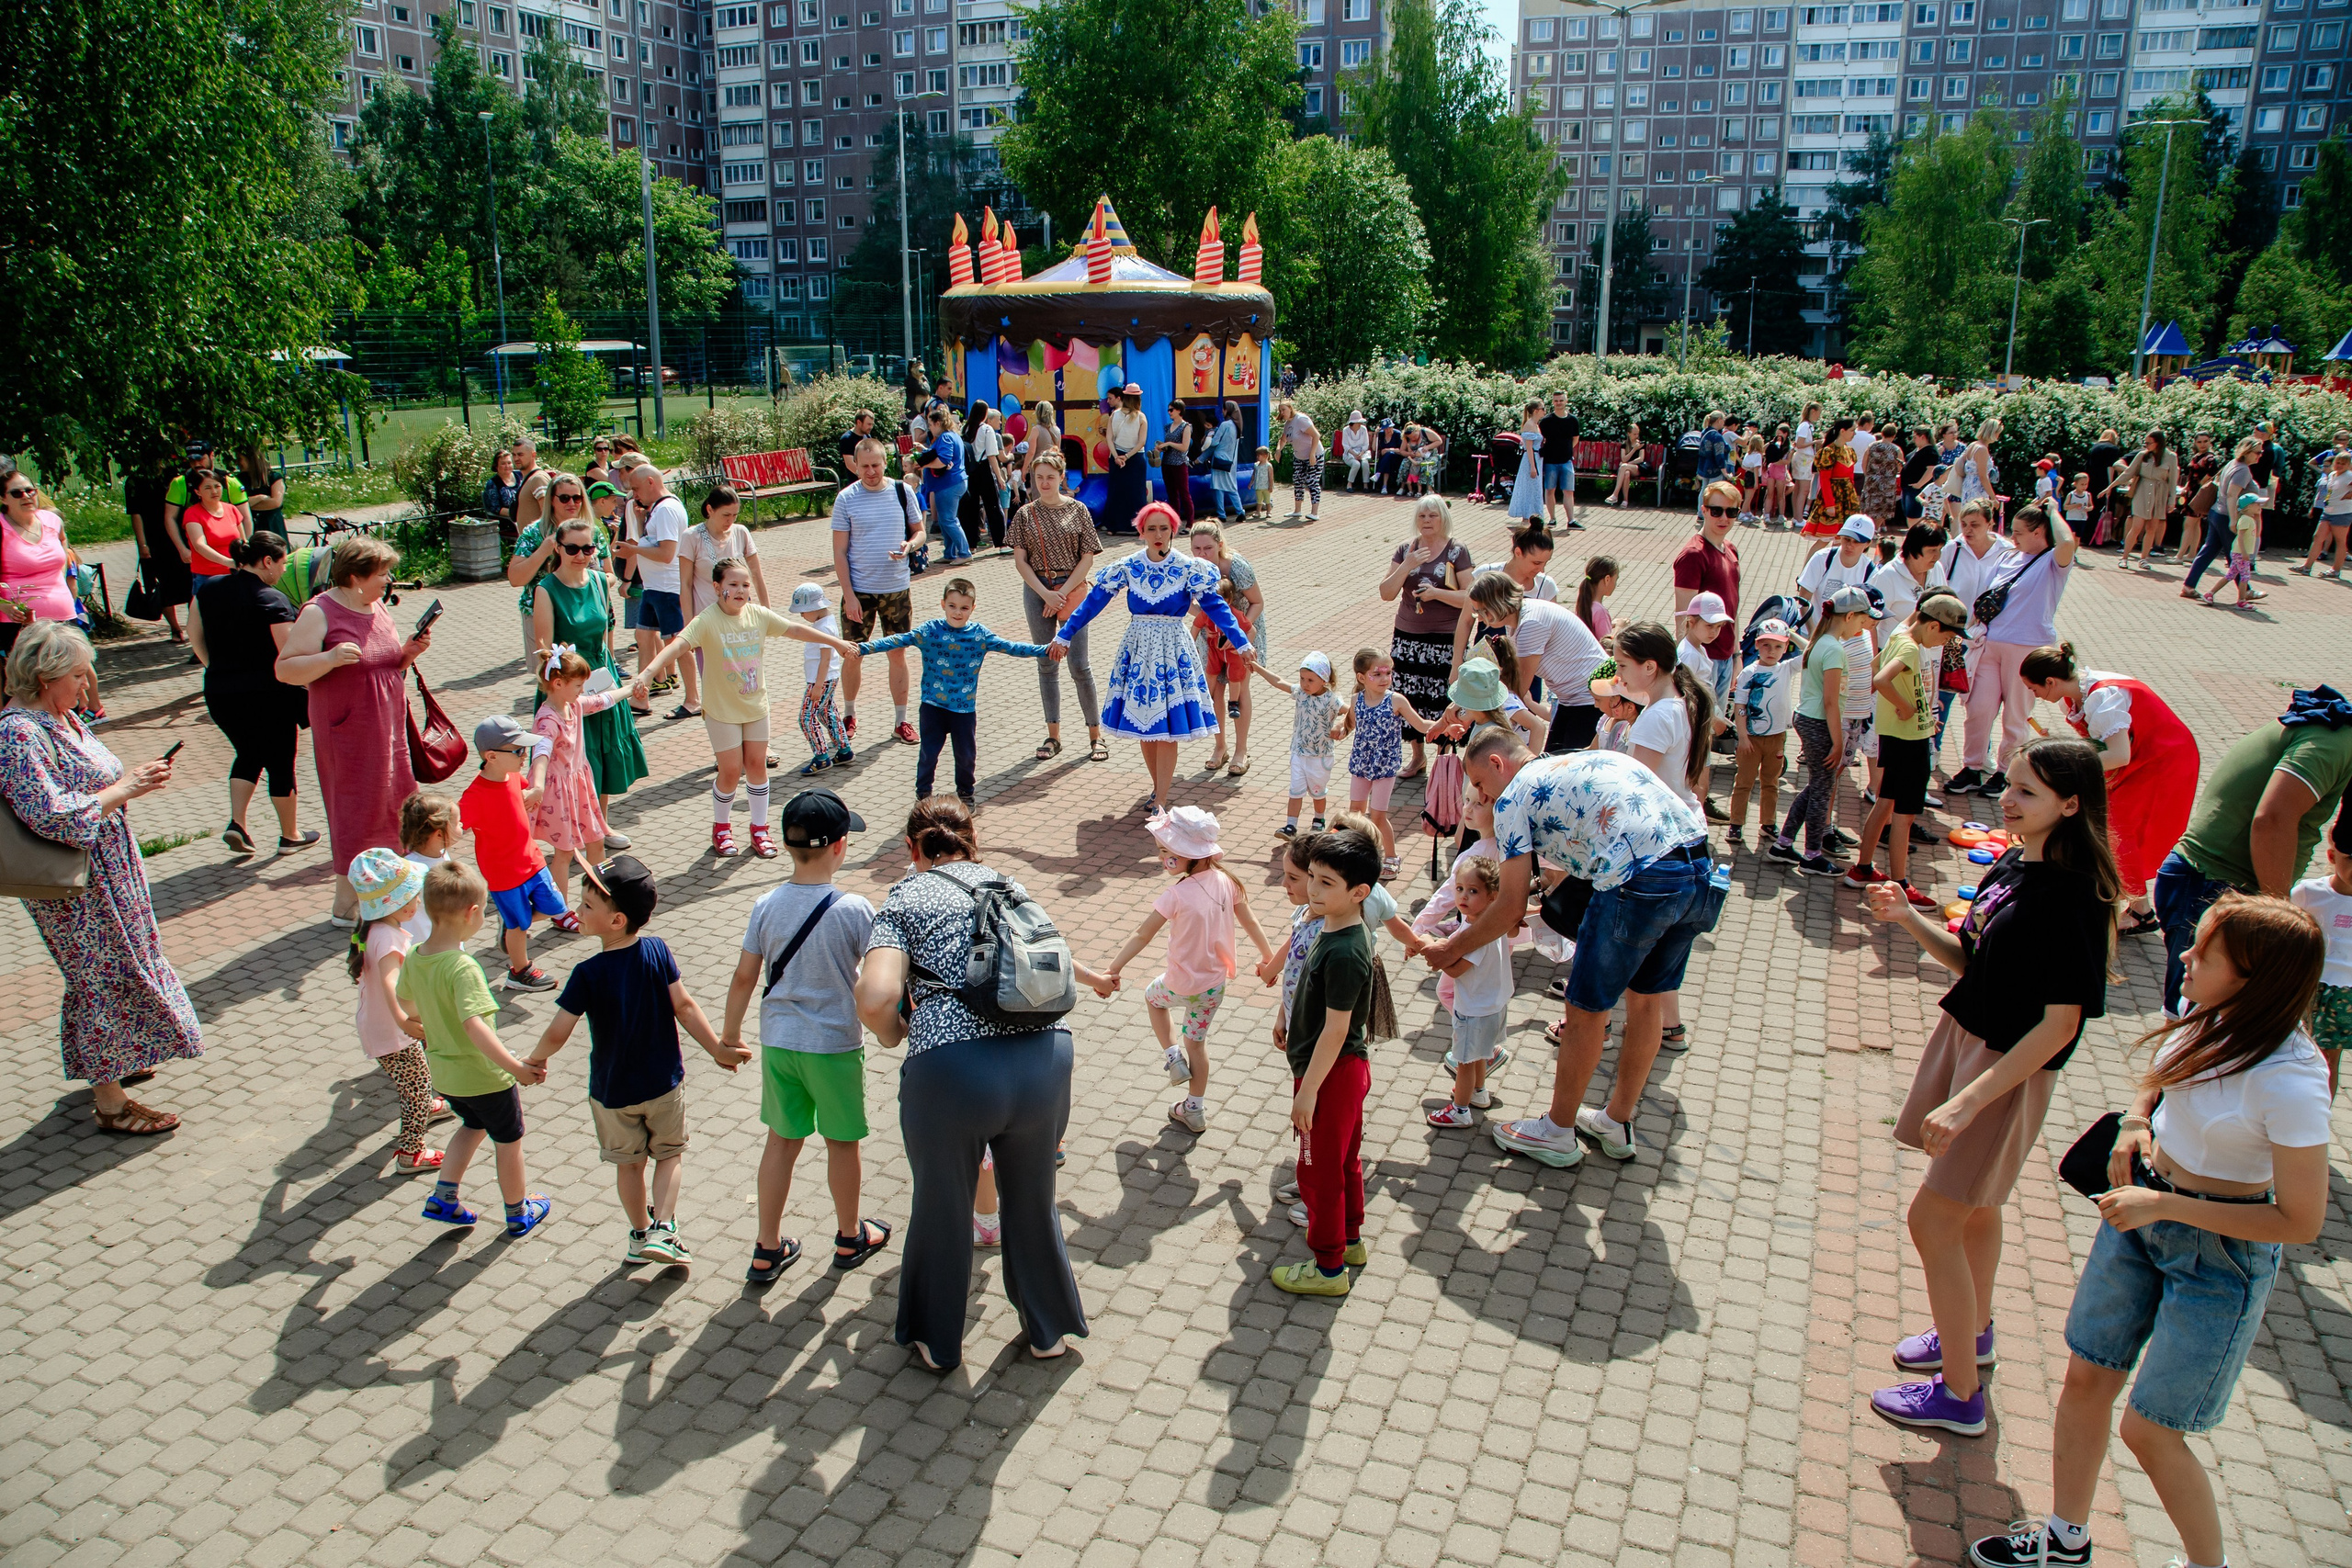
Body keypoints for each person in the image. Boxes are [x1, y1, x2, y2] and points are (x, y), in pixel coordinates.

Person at [1967, 893, 2330, 1568]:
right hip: (2143, 1213)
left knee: (2151, 1430)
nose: (2182, 956)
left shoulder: (2294, 1080)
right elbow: (2159, 1080)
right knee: (2086, 1380)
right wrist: (2137, 1120)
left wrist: (2166, 1208)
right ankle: (2063, 1539)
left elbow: (2300, 1220)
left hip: (2219, 1258)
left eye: (2204, 952)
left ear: (2253, 976)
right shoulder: (2208, 1008)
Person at [1862, 737, 2117, 1438]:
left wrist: (1972, 1097)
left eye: (2027, 791)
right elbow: (1972, 960)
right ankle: (1970, 1334)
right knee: (1975, 1209)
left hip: (2006, 1069)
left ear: (2071, 804)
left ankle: (1960, 1396)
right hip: (1970, 1041)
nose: (2008, 798)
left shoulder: (2074, 896)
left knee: (1932, 1219)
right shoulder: (2015, 858)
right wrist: (1908, 918)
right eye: (2010, 784)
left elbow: (2061, 1025)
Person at [854, 797, 1105, 1370]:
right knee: (1032, 1201)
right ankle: (1049, 1331)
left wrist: (896, 1034)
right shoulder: (1011, 884)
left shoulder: (906, 894)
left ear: (913, 849)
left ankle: (937, 1343)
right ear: (973, 841)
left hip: (953, 1072)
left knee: (943, 1205)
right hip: (1045, 1058)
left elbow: (874, 997)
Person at [1425, 735, 1718, 1169]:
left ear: (1497, 763)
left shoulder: (1512, 800)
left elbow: (1507, 905)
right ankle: (1616, 1120)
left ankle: (1557, 1132)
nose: (1482, 795)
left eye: (1480, 782)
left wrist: (1450, 948)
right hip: (1697, 868)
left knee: (1584, 1009)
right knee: (1647, 1001)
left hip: (1636, 879)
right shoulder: (1584, 757)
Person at [0, 621, 200, 1134]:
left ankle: (119, 1058)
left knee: (126, 964)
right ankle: (109, 1102)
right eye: (76, 674)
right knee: (97, 978)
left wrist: (133, 782)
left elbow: (92, 784)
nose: (86, 684)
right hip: (75, 881)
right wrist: (125, 788)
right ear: (45, 676)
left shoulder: (62, 717)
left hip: (110, 865)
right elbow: (50, 815)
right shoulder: (19, 731)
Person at [527, 853, 747, 1266]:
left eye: (587, 906)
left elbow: (559, 1031)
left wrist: (534, 1061)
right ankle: (664, 1228)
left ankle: (639, 1235)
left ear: (616, 920)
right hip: (663, 1083)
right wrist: (717, 1047)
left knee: (628, 1167)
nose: (577, 911)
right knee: (669, 1155)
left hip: (612, 1093)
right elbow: (684, 1006)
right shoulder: (657, 950)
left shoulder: (586, 973)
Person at [724, 788, 891, 1282]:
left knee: (781, 1141)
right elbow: (883, 975)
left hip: (779, 1042)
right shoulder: (854, 908)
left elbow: (743, 978)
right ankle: (848, 1237)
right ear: (840, 846)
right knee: (842, 1143)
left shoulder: (765, 905)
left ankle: (766, 1248)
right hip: (834, 1046)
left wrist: (729, 1037)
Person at [632, 558, 862, 855]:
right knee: (730, 771)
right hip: (721, 710)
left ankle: (760, 829)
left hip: (755, 706)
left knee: (756, 766)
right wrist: (648, 672)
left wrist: (836, 643)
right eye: (733, 584)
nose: (740, 590)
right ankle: (722, 828)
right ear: (717, 587)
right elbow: (678, 645)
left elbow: (794, 630)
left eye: (745, 585)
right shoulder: (707, 620)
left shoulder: (757, 615)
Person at [2154, 684, 2352, 1010]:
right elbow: (2272, 820)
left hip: (2213, 881)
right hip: (2215, 884)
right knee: (2196, 1017)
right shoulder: (2334, 742)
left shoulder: (2335, 735)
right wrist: (2276, 913)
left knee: (2196, 1015)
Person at [1048, 502, 1253, 815]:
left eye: (1164, 528)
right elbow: (1092, 603)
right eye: (1151, 528)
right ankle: (1158, 789)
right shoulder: (1129, 566)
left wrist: (1240, 642)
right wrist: (1064, 634)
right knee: (1145, 728)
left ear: (1173, 530)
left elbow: (1217, 609)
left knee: (1167, 728)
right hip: (1139, 650)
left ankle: (1161, 799)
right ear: (1141, 531)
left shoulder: (1190, 568)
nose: (1158, 534)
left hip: (1174, 649)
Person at [273, 537, 432, 924]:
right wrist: (328, 658)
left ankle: (389, 891)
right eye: (382, 574)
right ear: (355, 577)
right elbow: (285, 669)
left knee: (394, 804)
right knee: (356, 810)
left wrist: (409, 652)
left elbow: (385, 665)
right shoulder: (319, 612)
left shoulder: (375, 605)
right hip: (348, 731)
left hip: (386, 724)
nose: (389, 581)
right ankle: (346, 903)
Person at [1257, 825, 1385, 1296]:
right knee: (1345, 1162)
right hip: (1337, 1073)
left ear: (1359, 893)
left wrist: (1307, 1092)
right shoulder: (1330, 929)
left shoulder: (1347, 948)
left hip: (1329, 1077)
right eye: (1311, 876)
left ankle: (1329, 1269)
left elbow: (1336, 1030)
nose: (1311, 888)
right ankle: (1350, 1241)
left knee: (1317, 1173)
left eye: (1326, 883)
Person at [1095, 807, 1272, 1135]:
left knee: (1153, 998)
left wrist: (1113, 968)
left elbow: (1142, 934)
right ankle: (1195, 1109)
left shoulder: (1175, 894)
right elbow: (1250, 921)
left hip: (1178, 983)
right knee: (1199, 1046)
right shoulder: (1228, 882)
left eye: (1167, 852)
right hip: (1213, 987)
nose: (1163, 858)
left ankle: (1172, 1056)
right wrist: (1268, 958)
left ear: (1190, 855)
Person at [401, 862, 553, 1236]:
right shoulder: (463, 967)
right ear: (472, 913)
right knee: (509, 1140)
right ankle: (519, 1212)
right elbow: (476, 1029)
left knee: (471, 1125)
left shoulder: (416, 957)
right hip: (485, 1076)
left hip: (446, 1075)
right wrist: (515, 1067)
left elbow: (407, 1008)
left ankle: (444, 1197)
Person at [2019, 644, 2200, 932]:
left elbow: (2118, 755)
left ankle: (2131, 907)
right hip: (2143, 756)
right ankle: (2140, 910)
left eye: (2034, 688)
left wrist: (2064, 764)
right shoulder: (2075, 695)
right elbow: (2106, 747)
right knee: (2106, 823)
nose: (2035, 696)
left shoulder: (2101, 696)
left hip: (2163, 759)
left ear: (2050, 682)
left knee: (2116, 828)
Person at [861, 576, 1048, 807]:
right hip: (932, 707)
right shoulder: (930, 631)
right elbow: (899, 639)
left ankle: (966, 795)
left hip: (963, 710)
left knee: (966, 757)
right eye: (952, 606)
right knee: (928, 755)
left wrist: (1047, 650)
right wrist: (863, 648)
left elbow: (1013, 647)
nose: (957, 613)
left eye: (964, 608)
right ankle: (923, 796)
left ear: (972, 609)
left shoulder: (980, 635)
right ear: (942, 604)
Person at [188, 532, 316, 856]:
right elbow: (287, 653)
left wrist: (217, 668)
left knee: (248, 753)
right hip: (269, 695)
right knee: (280, 761)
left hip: (220, 692)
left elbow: (195, 636)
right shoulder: (271, 599)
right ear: (267, 561)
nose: (284, 569)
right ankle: (290, 835)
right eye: (283, 562)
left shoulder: (207, 590)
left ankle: (238, 823)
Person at [527, 514, 649, 837]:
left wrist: (610, 673)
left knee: (603, 752)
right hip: (566, 680)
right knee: (572, 757)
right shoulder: (546, 589)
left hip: (600, 672)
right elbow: (544, 651)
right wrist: (569, 684)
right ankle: (570, 826)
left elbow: (606, 631)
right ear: (558, 547)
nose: (581, 555)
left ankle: (599, 825)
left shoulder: (597, 581)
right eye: (572, 548)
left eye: (588, 548)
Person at [1847, 593, 1967, 908]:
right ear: (1933, 626)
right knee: (1904, 816)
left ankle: (1862, 868)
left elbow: (1875, 666)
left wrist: (1921, 714)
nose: (1947, 642)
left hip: (1898, 737)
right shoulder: (1912, 647)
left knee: (1885, 804)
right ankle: (1899, 885)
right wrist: (1906, 709)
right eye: (1948, 635)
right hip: (1908, 742)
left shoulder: (1901, 636)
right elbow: (1882, 678)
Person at [1960, 500, 2077, 796]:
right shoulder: (2009, 557)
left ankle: (2004, 772)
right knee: (1979, 708)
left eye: (2019, 532)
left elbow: (2067, 542)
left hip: (2028, 649)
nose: (2013, 538)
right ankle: (1972, 767)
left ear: (2039, 532)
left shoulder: (2053, 561)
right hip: (1990, 643)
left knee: (2016, 714)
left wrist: (2053, 512)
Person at [344, 849, 443, 1174]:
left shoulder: (373, 929)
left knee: (415, 1082)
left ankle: (426, 1106)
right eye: (414, 896)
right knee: (415, 1087)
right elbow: (390, 982)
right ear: (396, 902)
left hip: (379, 1025)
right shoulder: (387, 937)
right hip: (392, 1031)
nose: (418, 903)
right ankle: (411, 1152)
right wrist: (404, 1019)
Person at [1007, 451, 1106, 763]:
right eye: (1039, 478)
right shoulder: (1025, 514)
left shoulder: (1079, 510)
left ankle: (1095, 734)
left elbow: (1088, 557)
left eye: (1050, 476)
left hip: (1072, 590)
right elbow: (1020, 560)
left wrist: (1061, 593)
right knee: (1046, 663)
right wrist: (1045, 594)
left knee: (1079, 664)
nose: (1044, 483)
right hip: (1037, 590)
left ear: (1062, 477)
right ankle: (1054, 735)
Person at [1770, 585, 1876, 876]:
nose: (1865, 624)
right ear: (1850, 615)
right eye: (1863, 618)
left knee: (1816, 787)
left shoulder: (1822, 643)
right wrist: (1838, 743)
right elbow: (1831, 702)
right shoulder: (1833, 649)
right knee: (1821, 792)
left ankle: (1783, 845)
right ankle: (1811, 855)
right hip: (1819, 723)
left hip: (1808, 719)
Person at [831, 438, 927, 747]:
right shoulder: (846, 498)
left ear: (886, 463)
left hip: (896, 590)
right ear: (855, 466)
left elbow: (920, 531)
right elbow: (840, 552)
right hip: (860, 591)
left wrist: (910, 546)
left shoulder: (902, 491)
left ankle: (901, 720)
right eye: (864, 466)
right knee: (853, 654)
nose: (870, 472)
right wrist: (849, 595)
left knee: (897, 654)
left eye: (876, 465)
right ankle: (849, 715)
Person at [1379, 494, 1476, 780]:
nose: (1427, 521)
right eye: (1422, 516)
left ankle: (1443, 759)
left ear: (1443, 518)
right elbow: (1386, 593)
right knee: (1410, 696)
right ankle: (1417, 756)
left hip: (1445, 639)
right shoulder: (1405, 550)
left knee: (1440, 699)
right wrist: (1406, 565)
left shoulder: (1457, 551)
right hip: (1408, 638)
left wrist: (1437, 594)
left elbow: (1471, 597)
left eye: (1433, 516)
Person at [527, 648, 630, 904]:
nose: (582, 690)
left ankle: (606, 896)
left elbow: (603, 700)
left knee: (596, 842)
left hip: (579, 786)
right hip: (558, 792)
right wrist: (537, 785)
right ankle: (559, 909)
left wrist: (632, 688)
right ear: (558, 683)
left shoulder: (572, 705)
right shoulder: (547, 719)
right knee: (564, 853)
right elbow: (540, 752)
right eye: (578, 685)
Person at [1467, 573, 1608, 753]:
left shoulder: (1531, 623)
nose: (1480, 617)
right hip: (1572, 699)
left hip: (1588, 699)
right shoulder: (1520, 618)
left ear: (1498, 602)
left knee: (1567, 763)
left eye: (1482, 611)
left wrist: (1473, 713)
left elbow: (1519, 685)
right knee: (1555, 758)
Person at [1332, 647, 1441, 878]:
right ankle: (1358, 854)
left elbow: (1421, 725)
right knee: (1355, 813)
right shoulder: (1356, 700)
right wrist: (1340, 729)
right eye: (1377, 674)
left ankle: (1391, 857)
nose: (1385, 679)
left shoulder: (1396, 700)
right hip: (1361, 765)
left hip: (1384, 768)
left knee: (1378, 815)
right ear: (1362, 678)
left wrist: (1444, 725)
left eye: (1388, 673)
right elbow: (1350, 723)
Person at [506, 473, 614, 669]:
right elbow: (515, 578)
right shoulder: (533, 533)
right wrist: (544, 550)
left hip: (585, 613)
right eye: (564, 498)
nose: (572, 503)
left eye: (577, 497)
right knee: (551, 673)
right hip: (541, 613)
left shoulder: (592, 531)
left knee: (591, 675)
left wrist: (596, 581)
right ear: (551, 501)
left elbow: (610, 573)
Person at [616, 460, 697, 718]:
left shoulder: (666, 510)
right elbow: (651, 542)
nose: (634, 495)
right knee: (643, 638)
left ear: (651, 483)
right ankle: (641, 697)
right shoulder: (656, 509)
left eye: (637, 488)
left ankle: (693, 699)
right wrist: (640, 525)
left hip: (668, 589)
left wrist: (633, 550)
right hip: (654, 588)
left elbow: (666, 553)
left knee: (677, 644)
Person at [1188, 521, 1264, 774]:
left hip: (1242, 630)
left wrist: (1238, 634)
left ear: (1219, 545)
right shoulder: (1191, 569)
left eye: (1208, 548)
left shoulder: (1237, 566)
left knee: (1239, 688)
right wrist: (1205, 618)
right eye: (1196, 548)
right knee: (1215, 691)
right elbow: (1184, 602)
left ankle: (1241, 750)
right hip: (1211, 638)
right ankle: (1220, 747)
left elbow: (1257, 603)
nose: (1202, 554)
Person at [2290, 807, 2352, 1095]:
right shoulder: (2308, 893)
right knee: (2290, 1050)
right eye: (2350, 859)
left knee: (2327, 1060)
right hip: (2306, 986)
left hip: (2346, 996)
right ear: (2331, 856)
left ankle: (2317, 1118)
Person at [1726, 618, 1801, 849]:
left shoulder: (1787, 668)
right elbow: (1740, 706)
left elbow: (1814, 651)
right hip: (1751, 739)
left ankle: (1768, 823)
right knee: (1744, 782)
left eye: (1778, 646)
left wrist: (1794, 635)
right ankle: (1736, 823)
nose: (1772, 651)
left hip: (1777, 737)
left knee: (1771, 782)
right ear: (1757, 645)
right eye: (1766, 645)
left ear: (1787, 647)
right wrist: (1743, 737)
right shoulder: (1749, 673)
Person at [1673, 482, 1744, 718]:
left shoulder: (1730, 549)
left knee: (1715, 728)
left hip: (1725, 656)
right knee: (1699, 729)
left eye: (1731, 512)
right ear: (1704, 510)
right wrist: (1686, 669)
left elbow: (1734, 607)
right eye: (1717, 511)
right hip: (1702, 659)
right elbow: (1683, 616)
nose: (1724, 518)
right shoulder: (1694, 554)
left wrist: (1736, 655)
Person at [1259, 650, 1340, 835]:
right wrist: (1256, 667)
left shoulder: (1332, 700)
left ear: (1324, 680)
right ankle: (1290, 826)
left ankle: (1319, 818)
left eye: (1310, 680)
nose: (1305, 684)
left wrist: (1343, 726)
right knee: (1295, 790)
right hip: (1298, 753)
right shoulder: (1300, 694)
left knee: (1318, 792)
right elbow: (1278, 681)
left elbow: (1350, 712)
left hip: (1320, 756)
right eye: (1302, 678)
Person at [0, 472, 75, 657]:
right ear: (3, 498)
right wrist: (3, 606)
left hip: (63, 615)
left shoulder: (52, 520)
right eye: (17, 493)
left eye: (30, 491)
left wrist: (65, 588)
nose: (26, 496)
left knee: (79, 674)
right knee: (29, 681)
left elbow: (63, 544)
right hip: (19, 622)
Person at [678, 483, 766, 625]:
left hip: (739, 618)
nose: (730, 520)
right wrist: (688, 626)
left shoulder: (741, 532)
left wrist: (767, 613)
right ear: (710, 510)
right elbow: (686, 584)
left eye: (734, 515)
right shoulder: (691, 536)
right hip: (707, 620)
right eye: (726, 515)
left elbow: (757, 575)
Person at [788, 581, 852, 775]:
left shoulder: (824, 627)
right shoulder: (823, 623)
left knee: (806, 718)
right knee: (827, 712)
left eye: (803, 611)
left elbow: (825, 659)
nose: (801, 616)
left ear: (815, 608)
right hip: (827, 678)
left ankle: (822, 757)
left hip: (821, 680)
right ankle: (844, 750)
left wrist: (817, 686)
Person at [397, 793, 460, 947]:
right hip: (427, 945)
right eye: (458, 823)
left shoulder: (441, 855)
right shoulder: (412, 871)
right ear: (439, 834)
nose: (462, 826)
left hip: (442, 941)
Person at [2114, 431, 2178, 570]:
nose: (2146, 445)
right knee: (2137, 526)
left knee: (2151, 528)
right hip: (2142, 491)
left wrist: (2171, 500)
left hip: (2159, 492)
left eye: (2149, 443)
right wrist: (2110, 487)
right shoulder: (2142, 455)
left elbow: (2173, 480)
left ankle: (2144, 559)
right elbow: (2128, 472)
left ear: (2158, 443)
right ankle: (2124, 557)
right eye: (2146, 442)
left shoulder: (2171, 457)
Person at [916, 404, 973, 561]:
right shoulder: (952, 435)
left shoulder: (946, 437)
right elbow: (939, 455)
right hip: (951, 483)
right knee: (946, 520)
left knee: (948, 520)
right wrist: (924, 450)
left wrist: (924, 464)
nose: (929, 428)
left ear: (938, 423)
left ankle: (964, 552)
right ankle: (949, 553)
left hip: (949, 484)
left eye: (930, 425)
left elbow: (943, 461)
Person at [177, 466, 248, 585]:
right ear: (197, 492)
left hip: (234, 573)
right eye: (208, 488)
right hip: (207, 577)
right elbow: (199, 545)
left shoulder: (231, 509)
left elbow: (243, 541)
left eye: (217, 486)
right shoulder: (192, 514)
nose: (214, 491)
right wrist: (228, 562)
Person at [2292, 447, 2352, 578]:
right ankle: (2307, 567)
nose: (2339, 465)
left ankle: (2335, 570)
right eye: (2338, 462)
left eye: (2343, 463)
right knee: (2318, 537)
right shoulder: (2331, 474)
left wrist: (2348, 496)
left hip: (2342, 513)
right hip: (2328, 511)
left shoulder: (2349, 476)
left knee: (2340, 541)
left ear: (2348, 465)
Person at [2201, 492, 2263, 609]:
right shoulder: (2245, 519)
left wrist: (2258, 518)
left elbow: (2256, 534)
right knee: (2245, 576)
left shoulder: (2250, 519)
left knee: (2230, 576)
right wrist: (2244, 553)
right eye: (2257, 504)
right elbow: (2240, 537)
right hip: (2240, 553)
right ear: (2248, 506)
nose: (2260, 506)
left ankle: (2210, 593)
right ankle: (2241, 601)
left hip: (2239, 553)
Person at [1805, 419, 1862, 536]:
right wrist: (1830, 505)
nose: (1854, 433)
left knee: (1843, 537)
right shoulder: (1828, 452)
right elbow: (1824, 480)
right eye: (1852, 430)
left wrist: (1854, 499)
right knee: (1825, 538)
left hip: (1847, 499)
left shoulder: (1849, 451)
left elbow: (1850, 478)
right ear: (1843, 431)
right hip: (1833, 497)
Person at [962, 401, 1007, 549]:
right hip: (984, 469)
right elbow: (992, 455)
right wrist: (999, 477)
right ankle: (1001, 543)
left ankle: (971, 543)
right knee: (993, 505)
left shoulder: (966, 427)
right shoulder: (987, 430)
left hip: (970, 470)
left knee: (971, 507)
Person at [1538, 390, 1580, 526]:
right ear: (1553, 402)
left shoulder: (1573, 420)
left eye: (1561, 400)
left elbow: (1575, 439)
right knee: (1550, 490)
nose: (1559, 403)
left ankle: (1571, 520)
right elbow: (1541, 439)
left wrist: (1566, 450)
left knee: (1568, 491)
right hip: (1550, 461)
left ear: (1566, 401)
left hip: (1567, 461)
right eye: (1556, 401)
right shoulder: (1546, 421)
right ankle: (1552, 518)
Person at [1279, 399, 1324, 523]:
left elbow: (1316, 435)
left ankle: (1314, 512)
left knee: (1312, 481)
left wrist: (1312, 454)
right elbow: (1283, 440)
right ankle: (1297, 510)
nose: (1282, 412)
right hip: (1299, 457)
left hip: (1314, 454)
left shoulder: (1301, 419)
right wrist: (1278, 450)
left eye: (1284, 410)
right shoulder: (1288, 424)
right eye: (1280, 410)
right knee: (1298, 481)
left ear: (1290, 409)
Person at [508, 434, 554, 545]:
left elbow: (547, 513)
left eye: (520, 454)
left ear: (533, 455)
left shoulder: (538, 479)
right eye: (514, 455)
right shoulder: (526, 478)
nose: (516, 459)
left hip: (537, 544)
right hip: (528, 543)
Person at [1157, 401, 1195, 526]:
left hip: (1179, 463)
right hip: (1167, 462)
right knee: (1171, 493)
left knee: (1184, 493)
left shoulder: (1186, 427)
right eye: (1168, 410)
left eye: (1171, 410)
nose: (1169, 412)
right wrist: (1162, 447)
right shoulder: (1168, 426)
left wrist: (1168, 444)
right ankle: (1174, 521)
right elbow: (1168, 445)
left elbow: (1184, 447)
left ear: (1179, 410)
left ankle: (1190, 523)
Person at [1506, 399, 1545, 522]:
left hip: (1537, 458)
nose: (1544, 411)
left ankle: (1533, 516)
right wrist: (1533, 467)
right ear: (1536, 411)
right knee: (1529, 488)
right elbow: (1529, 448)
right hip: (1531, 460)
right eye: (1543, 409)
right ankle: (1527, 517)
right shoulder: (1529, 425)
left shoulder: (1536, 425)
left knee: (1534, 489)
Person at [1206, 400, 1242, 521]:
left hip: (1219, 459)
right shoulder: (1237, 426)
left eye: (1223, 408)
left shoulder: (1224, 425)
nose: (1222, 411)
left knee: (1218, 487)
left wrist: (1208, 438)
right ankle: (1240, 511)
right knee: (1231, 487)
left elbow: (1215, 442)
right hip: (1231, 461)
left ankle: (1221, 514)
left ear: (1227, 410)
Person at [480, 449, 520, 533]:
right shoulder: (493, 483)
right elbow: (496, 508)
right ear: (496, 466)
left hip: (526, 514)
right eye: (503, 463)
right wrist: (517, 514)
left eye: (509, 463)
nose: (507, 466)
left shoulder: (520, 475)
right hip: (508, 521)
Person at [1340, 411, 1374, 491]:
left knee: (1365, 463)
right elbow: (1346, 445)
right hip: (1350, 453)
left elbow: (1366, 444)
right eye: (1358, 422)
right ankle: (1349, 484)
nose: (1360, 424)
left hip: (1362, 452)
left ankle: (1365, 485)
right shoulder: (1346, 430)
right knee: (1356, 464)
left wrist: (1361, 454)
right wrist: (1355, 455)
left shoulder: (1363, 429)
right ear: (1353, 423)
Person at [1375, 418, 1406, 496]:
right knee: (1387, 459)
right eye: (1386, 429)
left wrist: (1388, 450)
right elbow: (1373, 448)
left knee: (1389, 455)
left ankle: (1379, 474)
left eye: (1390, 427)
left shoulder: (1398, 434)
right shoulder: (1381, 434)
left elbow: (1401, 450)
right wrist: (1376, 435)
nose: (1388, 430)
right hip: (1385, 461)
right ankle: (1384, 486)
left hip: (1396, 459)